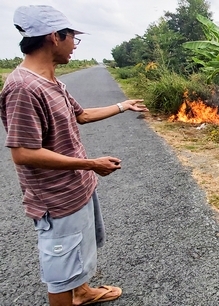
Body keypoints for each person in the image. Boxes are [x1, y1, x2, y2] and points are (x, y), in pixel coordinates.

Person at [0, 5, 148, 306]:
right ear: (55, 37)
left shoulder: (53, 81)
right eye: (73, 39)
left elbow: (81, 115)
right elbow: (23, 153)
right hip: (54, 198)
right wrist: (90, 164)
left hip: (76, 188)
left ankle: (82, 292)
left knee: (79, 250)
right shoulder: (23, 88)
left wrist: (123, 105)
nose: (74, 47)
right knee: (61, 270)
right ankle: (71, 294)